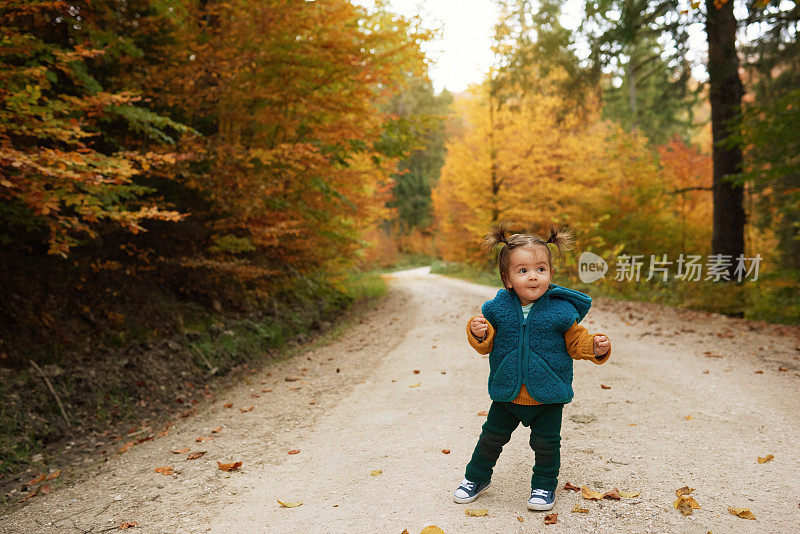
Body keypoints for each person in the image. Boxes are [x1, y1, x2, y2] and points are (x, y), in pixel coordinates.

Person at [453, 223, 612, 511]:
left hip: (548, 394)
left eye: (540, 269)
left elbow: (576, 341)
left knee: (546, 445)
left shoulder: (562, 311)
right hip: (507, 393)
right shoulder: (497, 309)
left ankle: (543, 486)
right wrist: (478, 332)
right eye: (522, 270)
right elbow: (485, 342)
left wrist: (595, 347)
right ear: (508, 278)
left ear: (551, 273)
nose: (533, 277)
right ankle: (476, 478)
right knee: (490, 439)